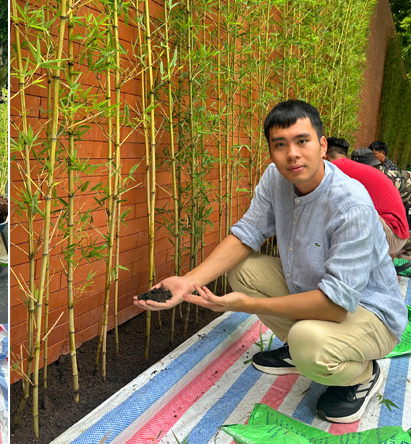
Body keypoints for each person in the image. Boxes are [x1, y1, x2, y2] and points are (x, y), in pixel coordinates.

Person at [134, 100, 406, 424]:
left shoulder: (351, 205)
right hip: (316, 288)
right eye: (280, 144)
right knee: (244, 270)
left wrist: (245, 305)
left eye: (302, 141)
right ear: (272, 151)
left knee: (309, 341)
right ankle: (301, 346)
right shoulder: (276, 179)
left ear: (322, 146)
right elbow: (247, 233)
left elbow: (335, 306)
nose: (292, 153)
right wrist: (187, 280)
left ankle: (360, 375)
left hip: (369, 311)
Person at [325, 141, 409, 257]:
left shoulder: (337, 167)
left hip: (393, 231)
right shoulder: (354, 169)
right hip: (396, 231)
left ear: (324, 155)